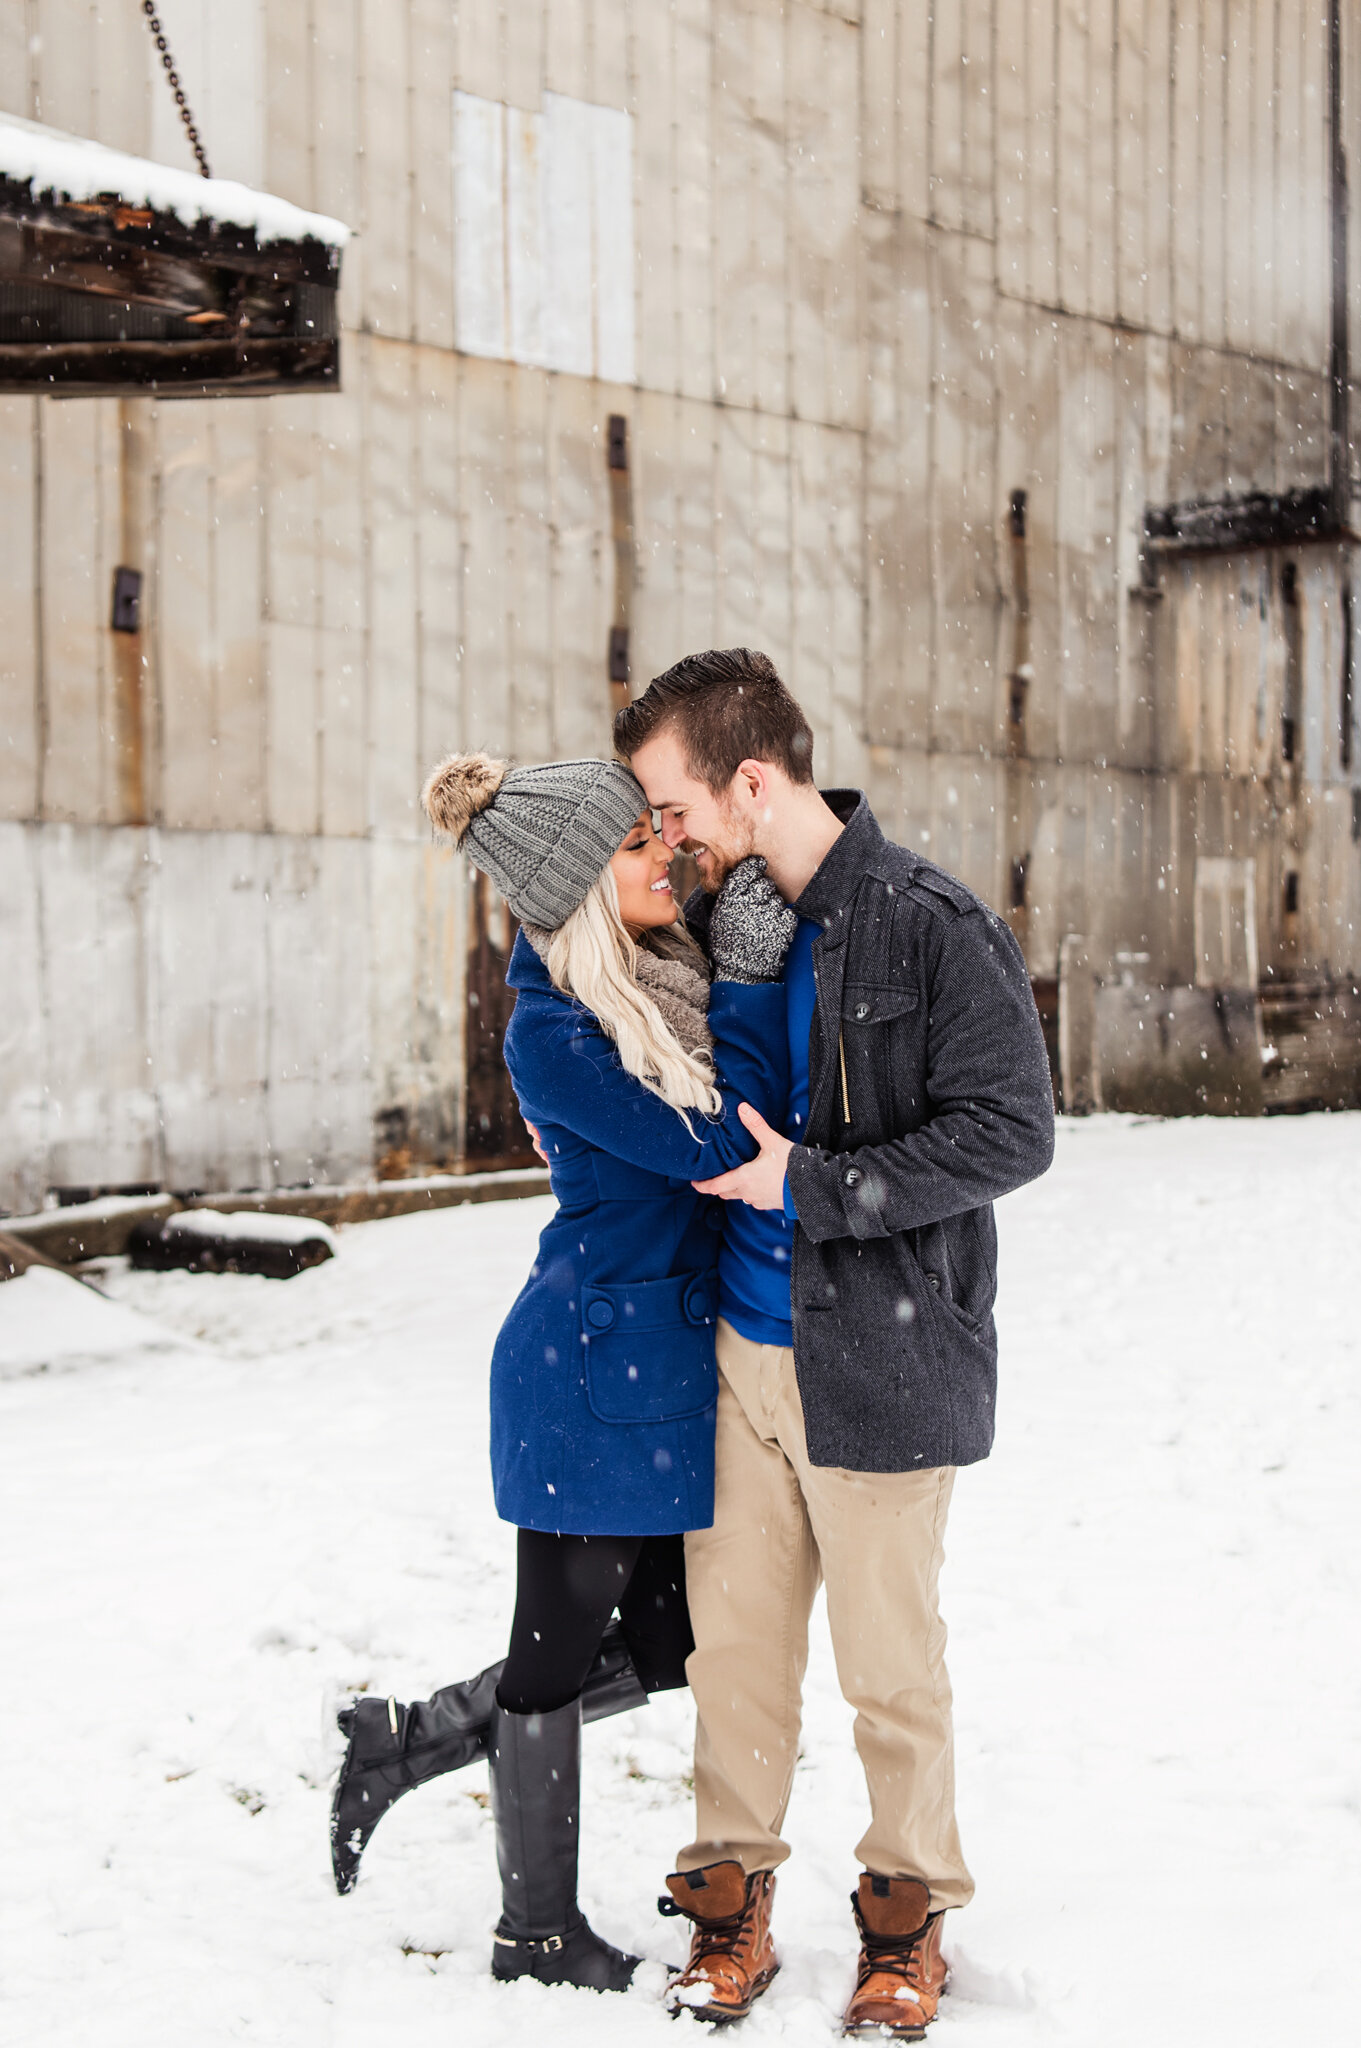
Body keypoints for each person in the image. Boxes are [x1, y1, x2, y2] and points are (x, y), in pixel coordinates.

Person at [617, 650, 1056, 2038]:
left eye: (673, 803)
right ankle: (726, 1900)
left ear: (752, 779)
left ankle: (903, 1909)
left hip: (880, 1355)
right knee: (733, 1659)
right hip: (740, 1356)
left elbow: (1009, 1132)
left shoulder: (926, 923)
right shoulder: (721, 927)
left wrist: (806, 1185)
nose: (664, 834)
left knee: (885, 1666)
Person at [330, 750, 796, 1995]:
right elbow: (712, 1142)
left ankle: (409, 1739)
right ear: (582, 884)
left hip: (644, 1370)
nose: (668, 857)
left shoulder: (650, 980)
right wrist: (752, 995)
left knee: (664, 1641)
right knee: (553, 1652)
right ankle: (533, 1930)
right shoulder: (562, 1031)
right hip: (590, 1375)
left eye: (660, 835)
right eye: (639, 847)